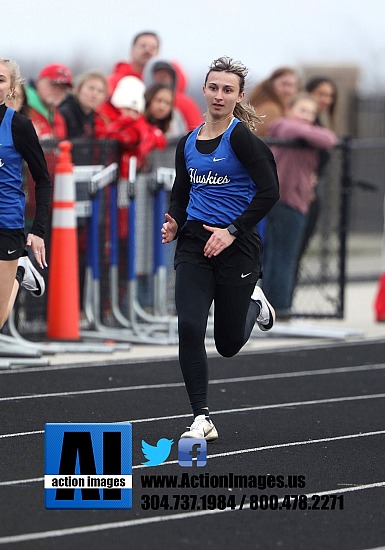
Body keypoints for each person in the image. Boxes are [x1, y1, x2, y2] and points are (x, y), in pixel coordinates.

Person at [161, 56, 279, 441]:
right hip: (195, 243)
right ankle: (202, 417)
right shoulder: (187, 143)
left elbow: (269, 192)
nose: (219, 95)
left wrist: (232, 229)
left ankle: (255, 303)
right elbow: (181, 194)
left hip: (237, 244)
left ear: (239, 96)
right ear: (204, 89)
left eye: (228, 90)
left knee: (227, 344)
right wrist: (175, 220)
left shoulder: (242, 138)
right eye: (214, 87)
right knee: (190, 326)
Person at [262, 93, 337, 319]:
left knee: (283, 255)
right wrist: (308, 130)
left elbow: (329, 140)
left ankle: (275, 305)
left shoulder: (308, 137)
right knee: (276, 256)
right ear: (289, 110)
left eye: (311, 113)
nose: (306, 117)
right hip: (280, 200)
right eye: (302, 110)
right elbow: (285, 128)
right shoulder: (283, 127)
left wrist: (310, 132)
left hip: (297, 201)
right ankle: (278, 307)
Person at [0, 58, 52, 329]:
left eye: (0, 79)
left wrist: (39, 231)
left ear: (10, 88)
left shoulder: (18, 126)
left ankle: (19, 271)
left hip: (6, 224)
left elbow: (43, 179)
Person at [143, 57, 203, 131]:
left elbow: (197, 132)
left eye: (167, 103)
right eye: (159, 74)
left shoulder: (184, 105)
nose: (162, 106)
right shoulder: (139, 100)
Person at [247, 67, 300, 136]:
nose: (288, 90)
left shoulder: (279, 107)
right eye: (284, 84)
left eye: (292, 86)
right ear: (271, 85)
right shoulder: (271, 109)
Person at [25, 63, 72, 139]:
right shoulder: (20, 107)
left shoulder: (58, 117)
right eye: (54, 84)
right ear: (39, 81)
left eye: (63, 88)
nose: (58, 91)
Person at [107, 31, 160, 96]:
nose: (147, 51)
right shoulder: (113, 82)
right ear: (132, 50)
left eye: (152, 48)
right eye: (143, 46)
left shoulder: (160, 86)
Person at [59, 70, 108, 139]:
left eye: (100, 91)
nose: (95, 95)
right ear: (78, 89)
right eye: (91, 88)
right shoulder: (64, 113)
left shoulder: (94, 117)